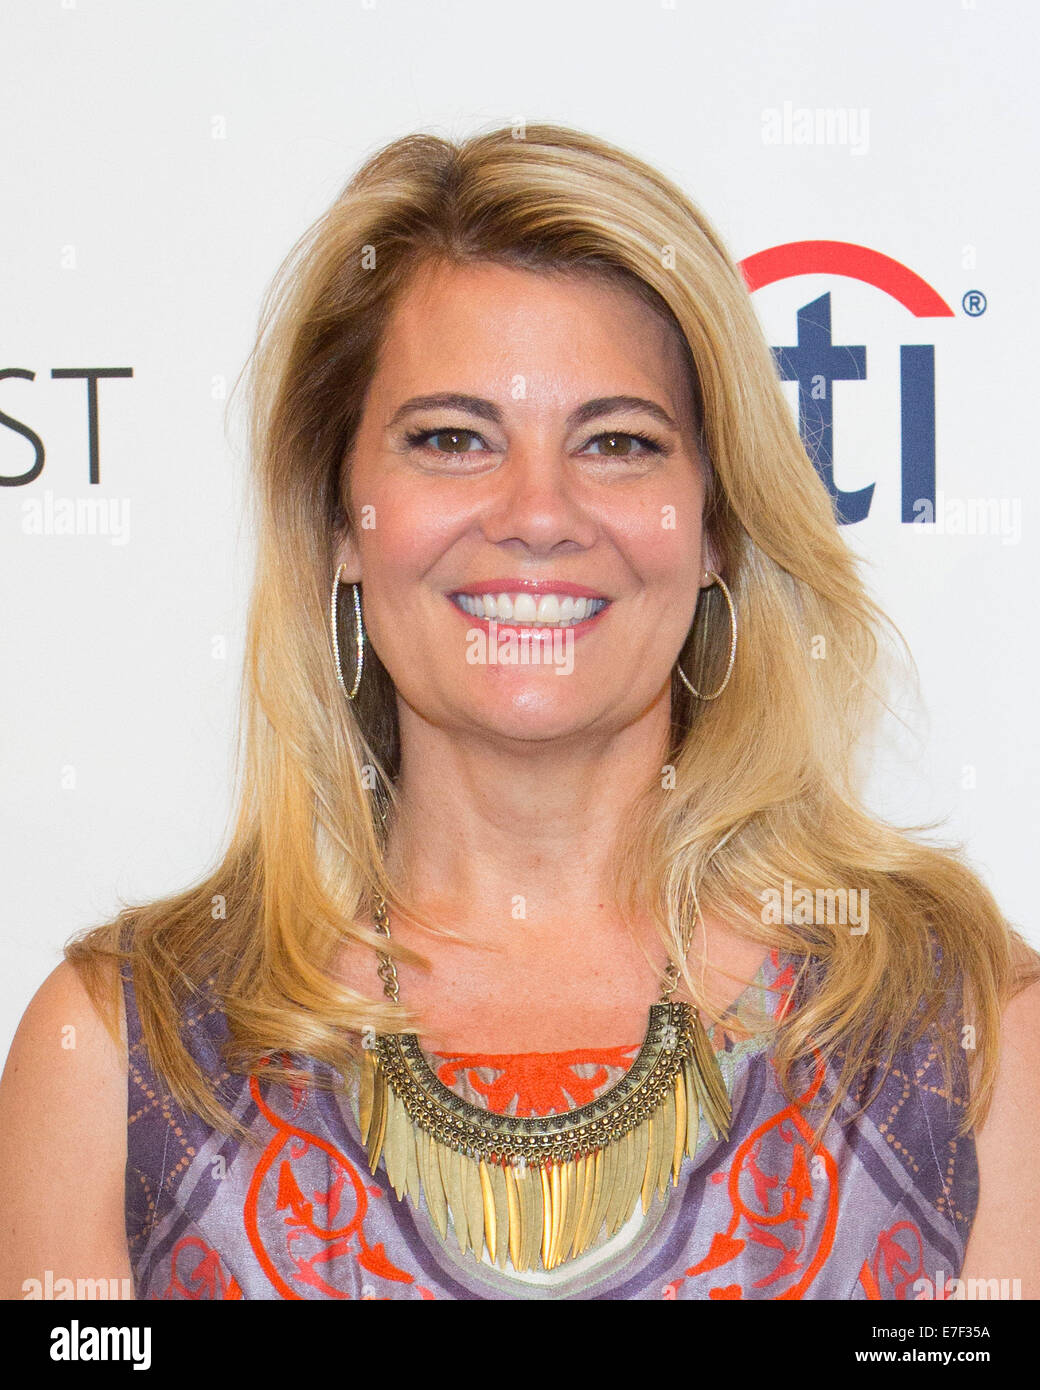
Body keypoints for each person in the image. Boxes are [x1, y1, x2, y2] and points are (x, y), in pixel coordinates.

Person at [2, 123, 1038, 1302]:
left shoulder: (955, 1033)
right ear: (340, 519)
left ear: (714, 528)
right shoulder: (124, 1058)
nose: (537, 512)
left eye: (616, 442)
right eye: (452, 439)